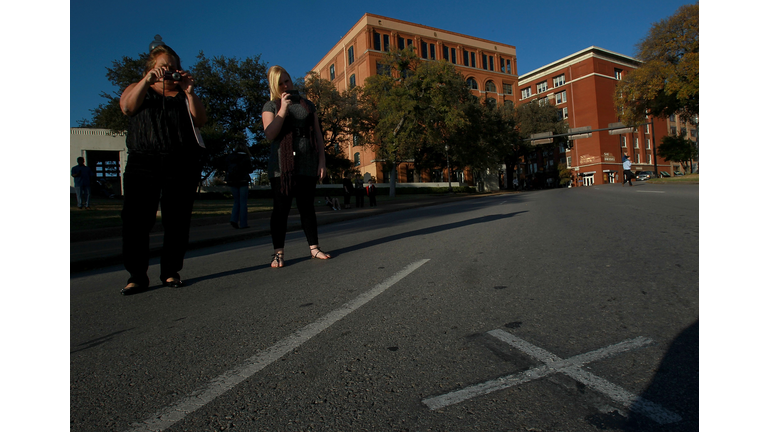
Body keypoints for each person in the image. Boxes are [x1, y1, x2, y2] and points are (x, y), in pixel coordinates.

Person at [118, 42, 207, 295]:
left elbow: (200, 119)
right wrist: (146, 81)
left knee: (177, 220)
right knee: (136, 220)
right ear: (151, 68)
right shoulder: (138, 90)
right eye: (162, 67)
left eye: (172, 66)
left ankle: (170, 271)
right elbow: (127, 107)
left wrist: (190, 91)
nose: (167, 70)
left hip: (180, 162)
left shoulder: (183, 94)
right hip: (142, 160)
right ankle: (136, 276)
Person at [262, 65, 331, 268]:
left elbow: (318, 134)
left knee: (307, 207)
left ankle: (314, 248)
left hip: (307, 162)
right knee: (281, 210)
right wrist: (282, 109)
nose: (286, 85)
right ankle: (278, 253)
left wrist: (321, 161)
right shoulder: (271, 106)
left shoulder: (308, 105)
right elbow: (270, 134)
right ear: (274, 86)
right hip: (281, 166)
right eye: (281, 83)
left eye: (288, 80)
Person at [226, 143, 253, 229]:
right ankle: (243, 223)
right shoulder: (245, 157)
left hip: (232, 180)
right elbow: (250, 169)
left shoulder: (230, 157)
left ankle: (233, 219)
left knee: (236, 201)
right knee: (243, 202)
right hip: (243, 180)